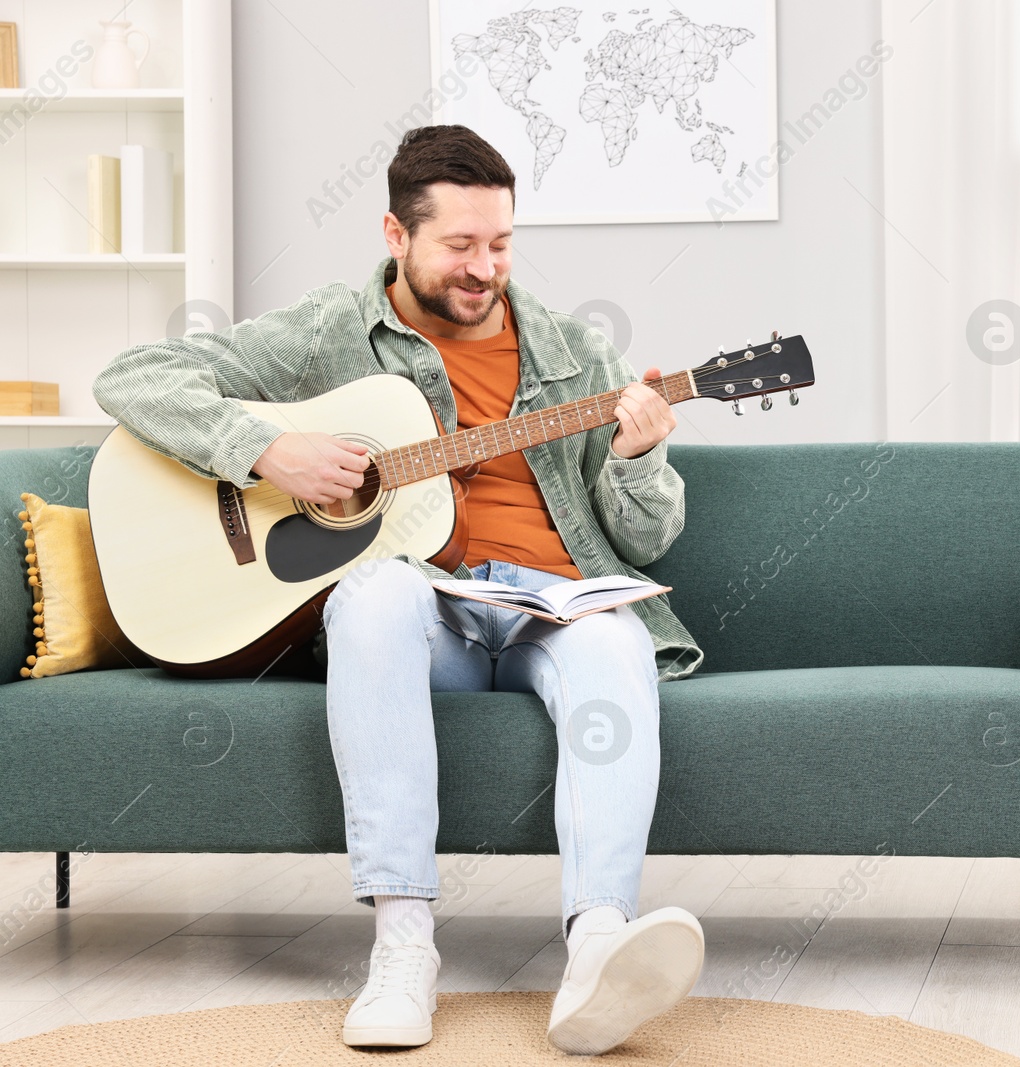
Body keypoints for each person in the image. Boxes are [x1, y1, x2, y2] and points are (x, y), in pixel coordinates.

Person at [92, 123, 708, 1055]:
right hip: (427, 618)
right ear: (396, 234)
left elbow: (648, 536)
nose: (483, 268)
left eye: (499, 244)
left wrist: (639, 453)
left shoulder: (576, 356)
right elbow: (132, 376)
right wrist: (269, 449)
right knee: (374, 591)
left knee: (620, 636)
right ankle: (404, 947)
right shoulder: (328, 331)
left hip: (554, 609)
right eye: (458, 245)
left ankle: (597, 948)